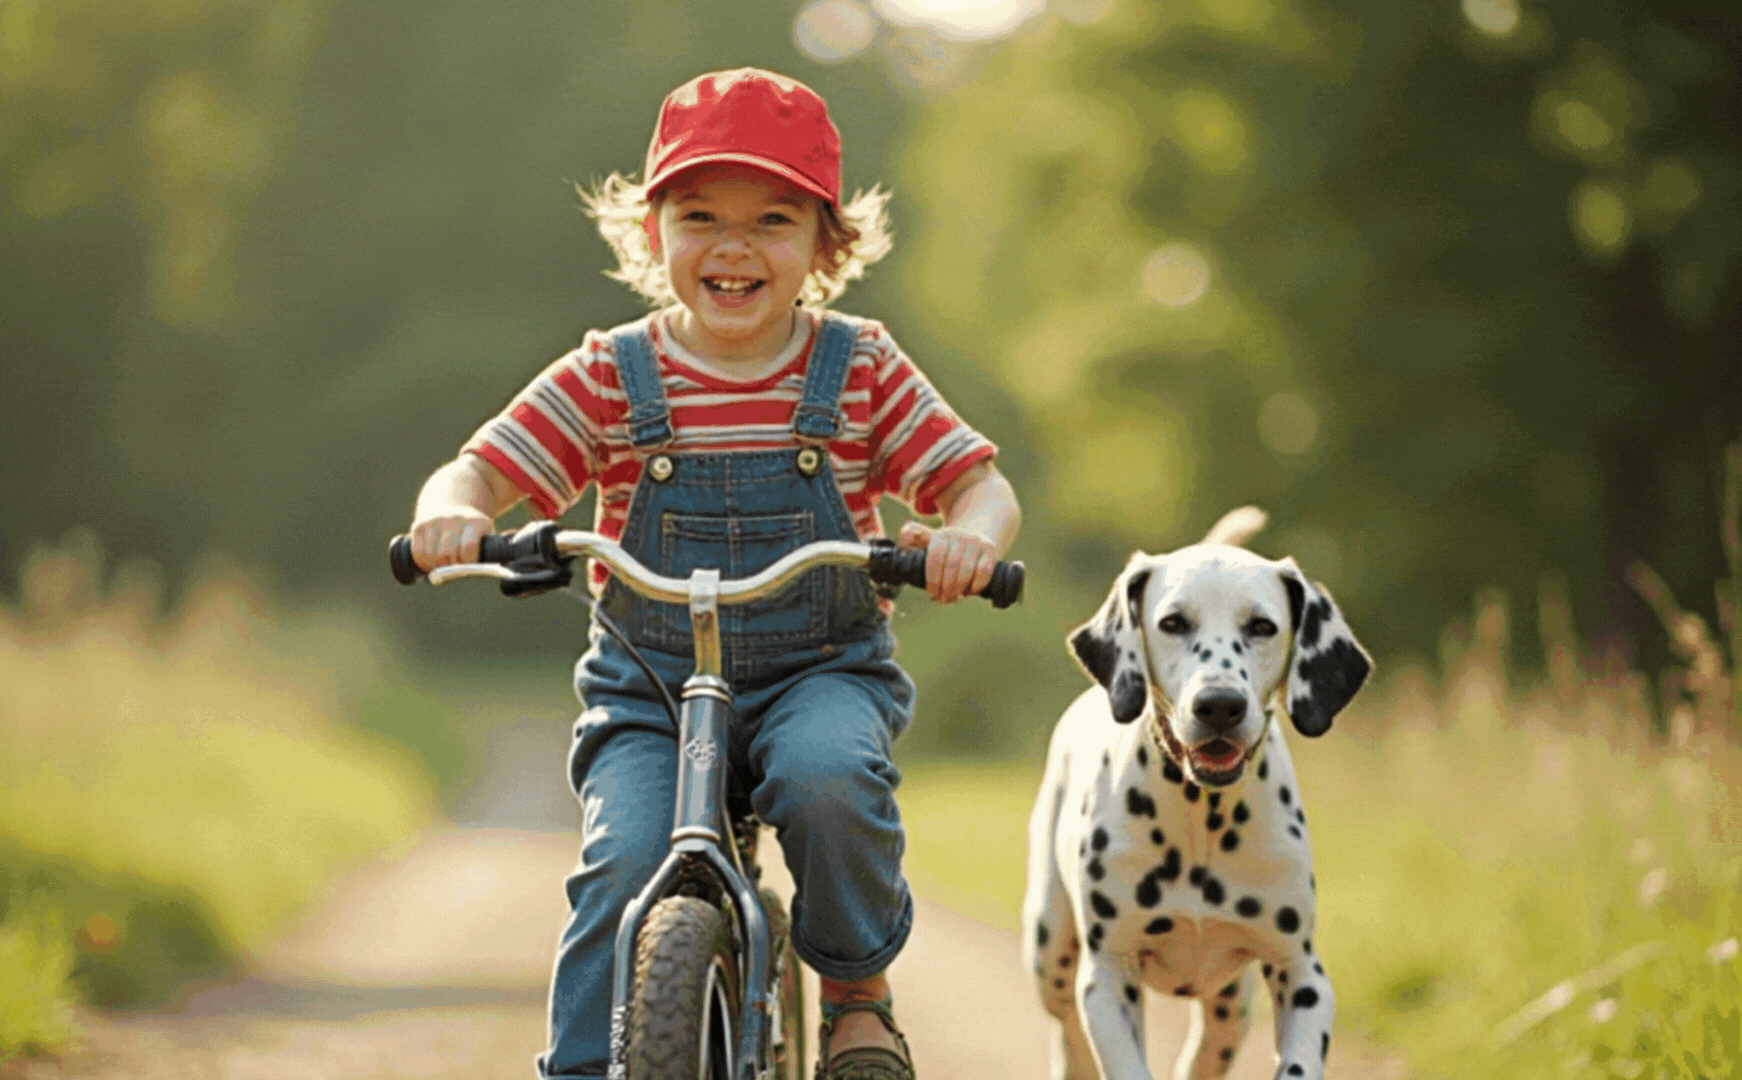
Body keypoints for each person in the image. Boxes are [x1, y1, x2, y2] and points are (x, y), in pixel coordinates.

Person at [406, 67, 1022, 1080]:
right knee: (619, 868)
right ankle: (581, 1069)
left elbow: (978, 485)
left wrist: (968, 536)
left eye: (772, 219)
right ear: (649, 232)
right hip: (648, 686)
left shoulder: (857, 367)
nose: (733, 247)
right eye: (699, 215)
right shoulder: (612, 373)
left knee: (831, 783)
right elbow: (475, 469)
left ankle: (859, 1000)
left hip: (817, 668)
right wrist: (452, 518)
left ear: (828, 243)